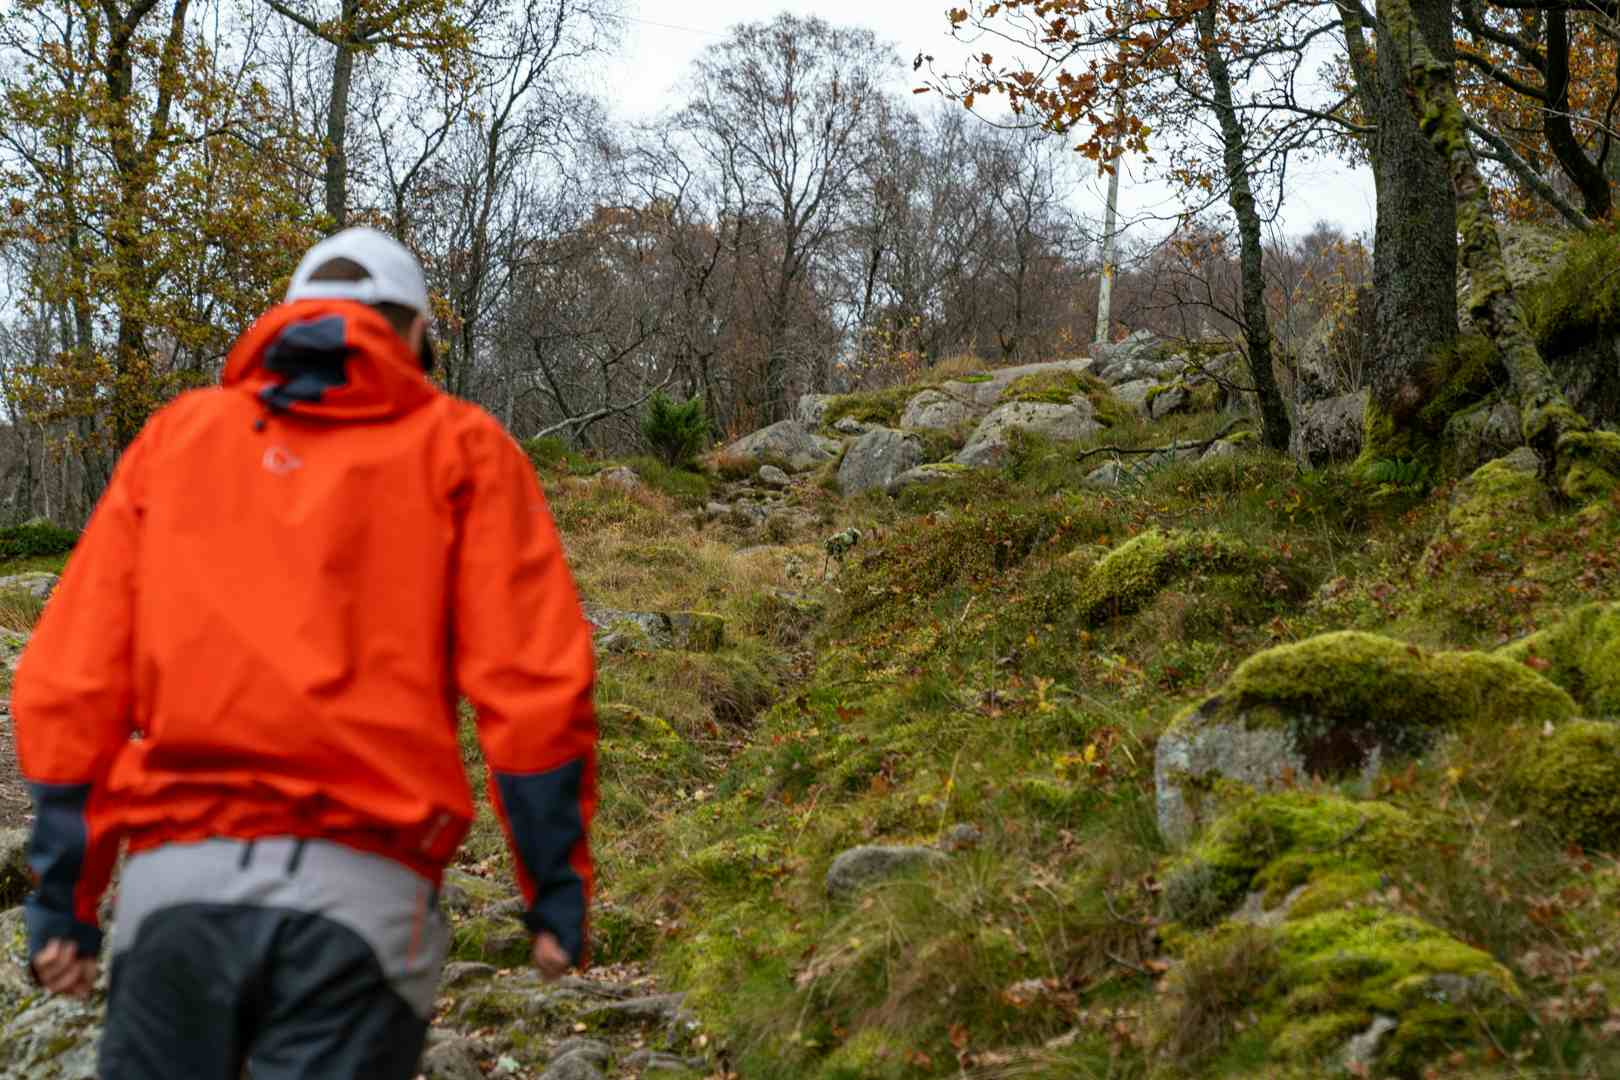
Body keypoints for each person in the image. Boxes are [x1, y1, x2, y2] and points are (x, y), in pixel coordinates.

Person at [12, 227, 598, 1079]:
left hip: (174, 897)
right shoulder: (461, 448)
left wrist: (65, 902)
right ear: (414, 337)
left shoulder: (178, 440)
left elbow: (71, 684)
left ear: (288, 323)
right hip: (363, 903)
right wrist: (554, 891)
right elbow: (534, 686)